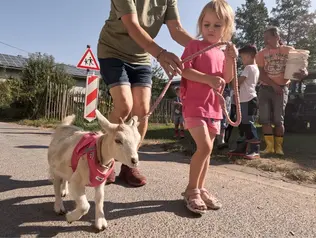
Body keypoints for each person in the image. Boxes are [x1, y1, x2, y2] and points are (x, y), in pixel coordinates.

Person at [97, 0, 193, 187]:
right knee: (125, 105)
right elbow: (132, 26)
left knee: (142, 110)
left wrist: (208, 48)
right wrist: (161, 54)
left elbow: (176, 29)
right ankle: (104, 161)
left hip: (141, 57)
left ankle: (129, 164)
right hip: (112, 51)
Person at [180, 0, 237, 214]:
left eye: (217, 25)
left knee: (208, 151)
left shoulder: (223, 50)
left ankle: (200, 187)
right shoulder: (194, 46)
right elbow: (185, 71)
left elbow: (228, 77)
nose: (211, 29)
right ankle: (191, 190)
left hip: (213, 107)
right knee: (204, 146)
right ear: (200, 24)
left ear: (227, 27)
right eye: (207, 24)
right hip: (195, 105)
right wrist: (208, 80)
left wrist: (231, 59)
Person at [256, 27, 308, 155]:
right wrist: (274, 85)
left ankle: (279, 148)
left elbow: (302, 66)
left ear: (277, 37)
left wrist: (303, 73)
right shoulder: (261, 53)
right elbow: (261, 74)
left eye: (268, 37)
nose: (266, 40)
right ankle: (269, 147)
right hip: (265, 88)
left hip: (282, 88)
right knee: (264, 119)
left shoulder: (289, 50)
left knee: (279, 120)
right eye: (264, 38)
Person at [228, 45, 260, 159]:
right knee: (242, 125)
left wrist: (230, 74)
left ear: (250, 56)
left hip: (248, 99)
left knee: (247, 124)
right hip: (245, 99)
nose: (242, 60)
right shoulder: (255, 68)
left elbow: (237, 83)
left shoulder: (249, 68)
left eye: (242, 57)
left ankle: (255, 150)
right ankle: (242, 147)